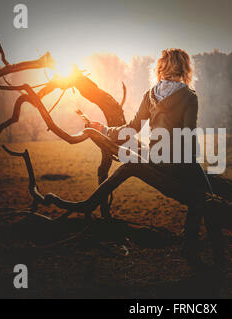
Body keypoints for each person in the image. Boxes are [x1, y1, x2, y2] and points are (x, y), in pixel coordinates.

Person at [85, 48, 223, 269]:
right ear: (184, 68)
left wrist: (105, 129)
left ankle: (192, 246)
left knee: (200, 198)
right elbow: (188, 134)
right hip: (180, 160)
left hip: (156, 159)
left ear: (161, 68)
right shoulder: (189, 96)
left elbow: (132, 128)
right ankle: (205, 252)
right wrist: (193, 164)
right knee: (209, 198)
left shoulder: (150, 94)